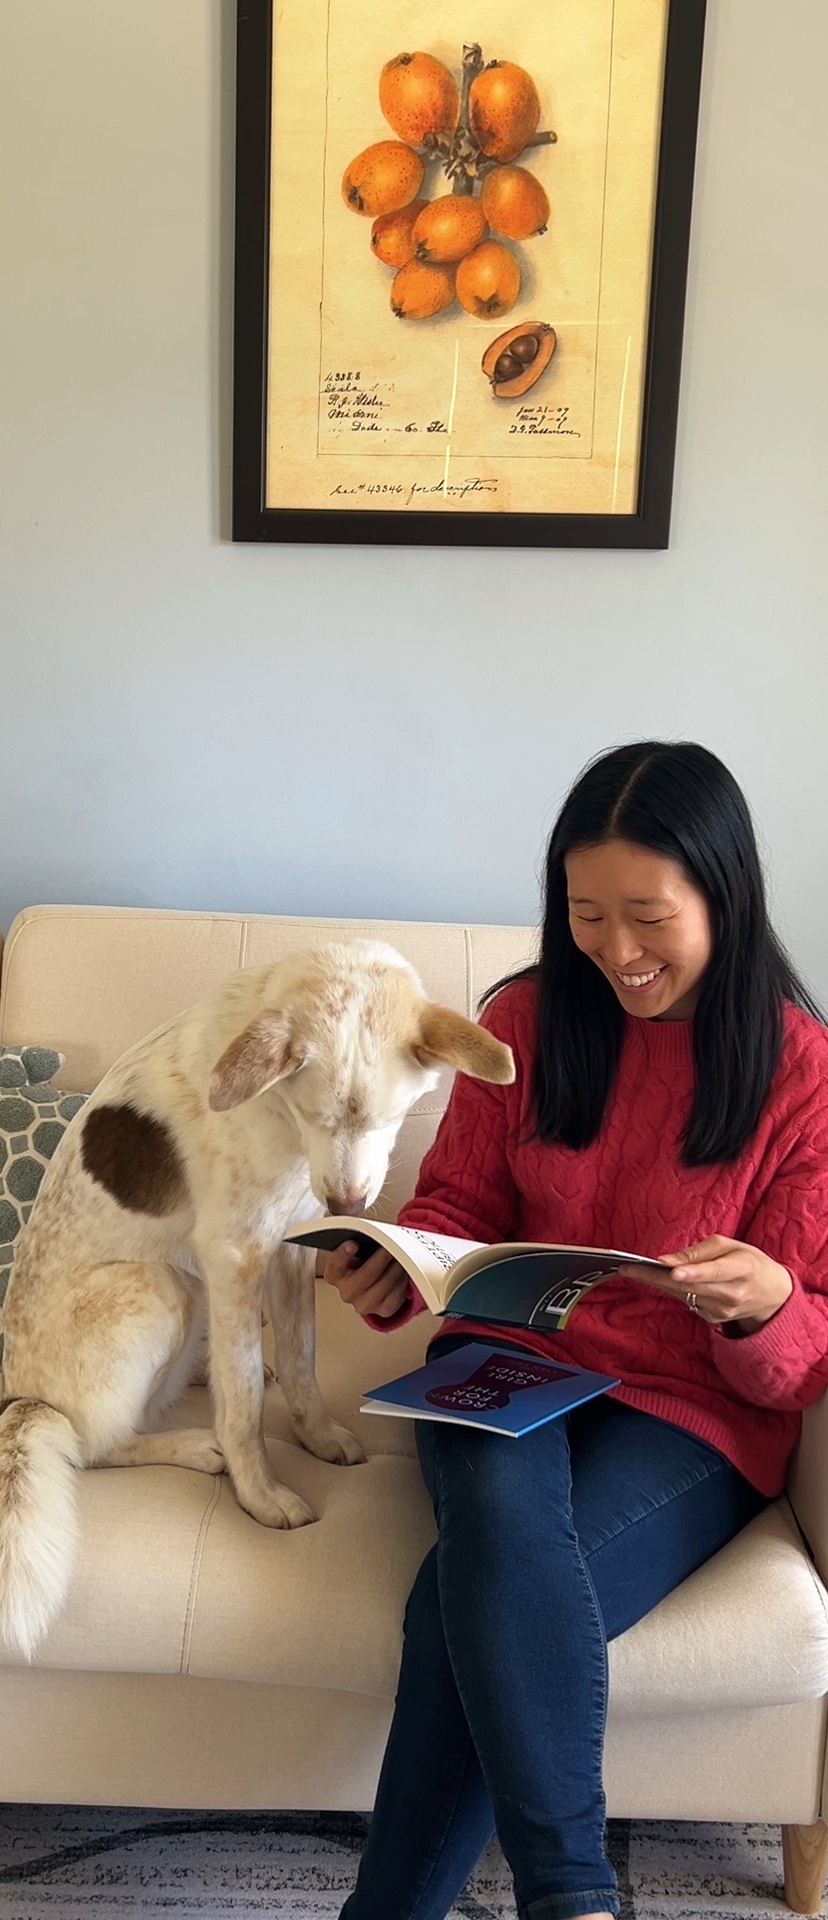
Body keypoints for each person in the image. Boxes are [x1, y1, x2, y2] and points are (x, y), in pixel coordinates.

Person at [326, 740, 828, 1920]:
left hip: (689, 1409)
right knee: (497, 1515)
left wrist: (763, 1303)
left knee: (455, 1605)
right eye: (587, 915)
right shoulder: (529, 1017)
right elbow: (456, 1207)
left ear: (727, 893)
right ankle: (575, 1899)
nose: (616, 951)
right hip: (510, 1359)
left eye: (647, 917)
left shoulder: (801, 1071)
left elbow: (803, 1355)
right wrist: (400, 1271)